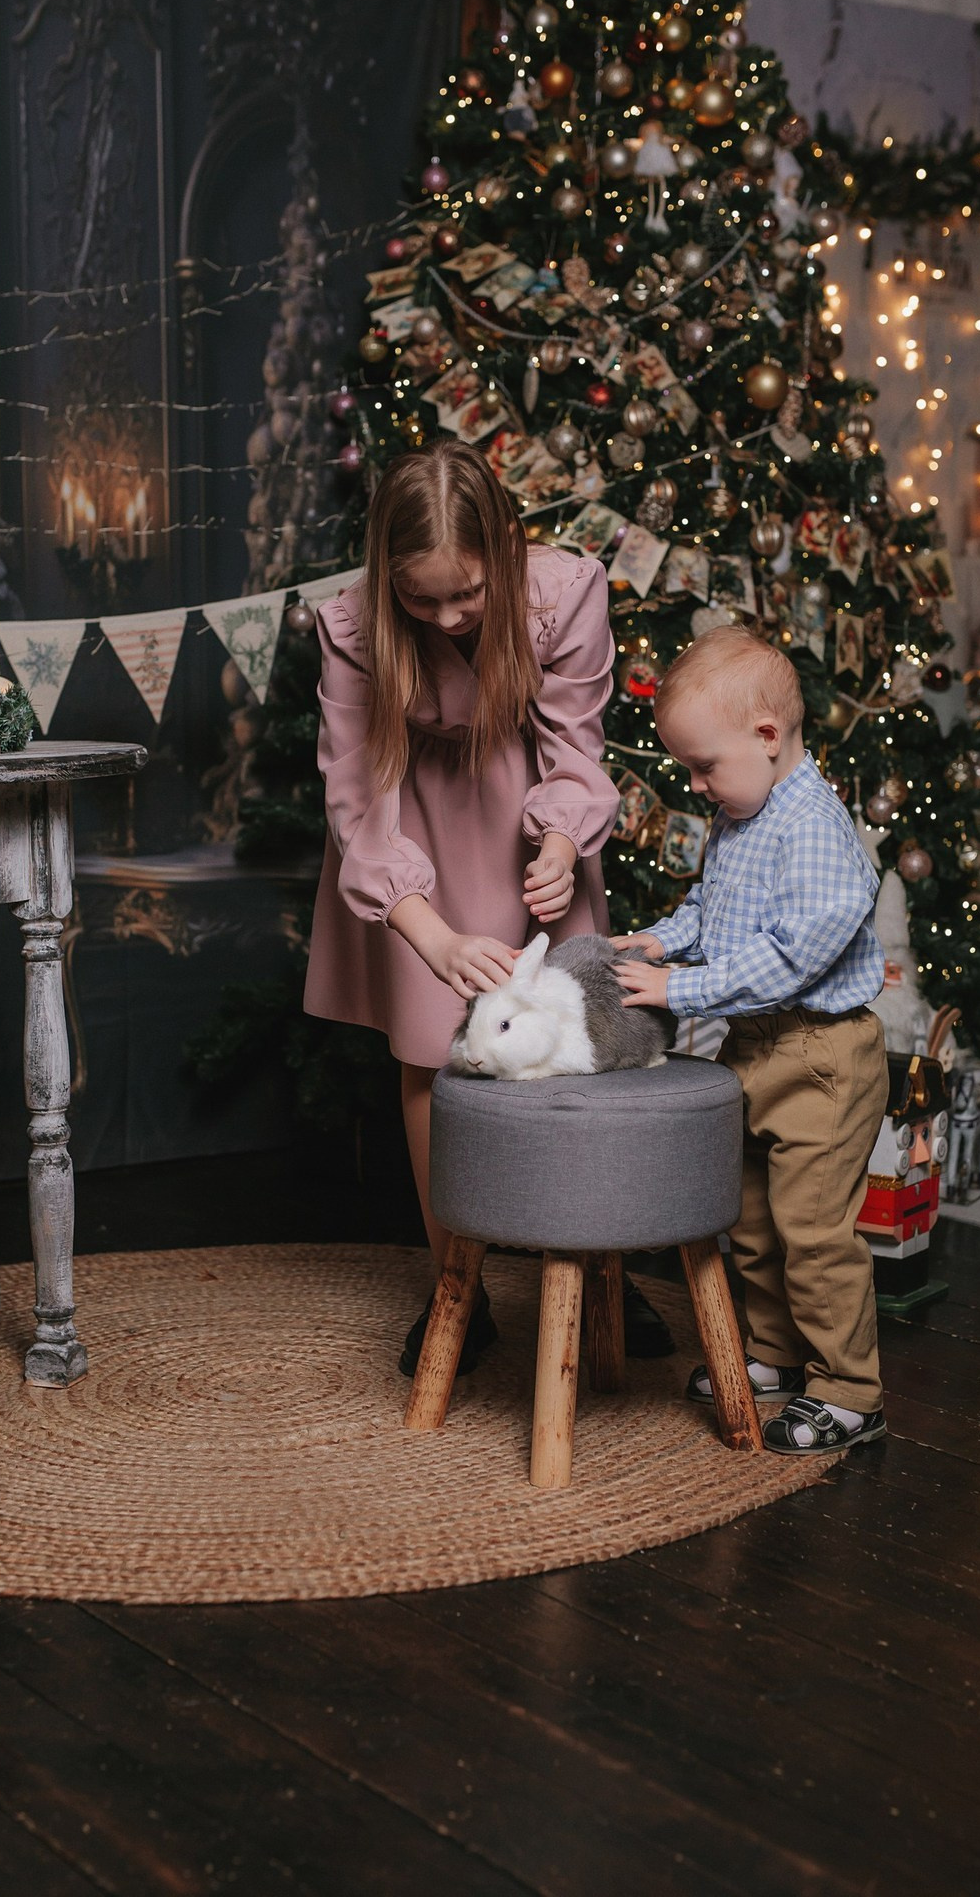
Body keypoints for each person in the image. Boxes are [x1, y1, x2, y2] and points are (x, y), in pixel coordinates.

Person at [304, 439, 674, 1372]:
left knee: (579, 1050)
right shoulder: (353, 628)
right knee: (435, 1060)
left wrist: (558, 843)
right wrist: (425, 933)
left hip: (526, 826)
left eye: (467, 591)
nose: (449, 614)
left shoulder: (565, 593)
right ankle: (457, 1290)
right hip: (416, 838)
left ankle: (602, 1276)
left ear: (506, 546)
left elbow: (576, 743)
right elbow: (356, 796)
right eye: (422, 598)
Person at [612, 626, 889, 1454]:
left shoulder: (813, 827)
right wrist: (661, 942)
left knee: (813, 1229)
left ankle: (850, 1389)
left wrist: (678, 988)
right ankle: (776, 1354)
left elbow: (792, 957)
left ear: (768, 737)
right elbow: (715, 909)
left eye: (705, 766)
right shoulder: (746, 811)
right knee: (756, 1220)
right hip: (755, 1048)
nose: (697, 786)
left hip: (821, 1055)